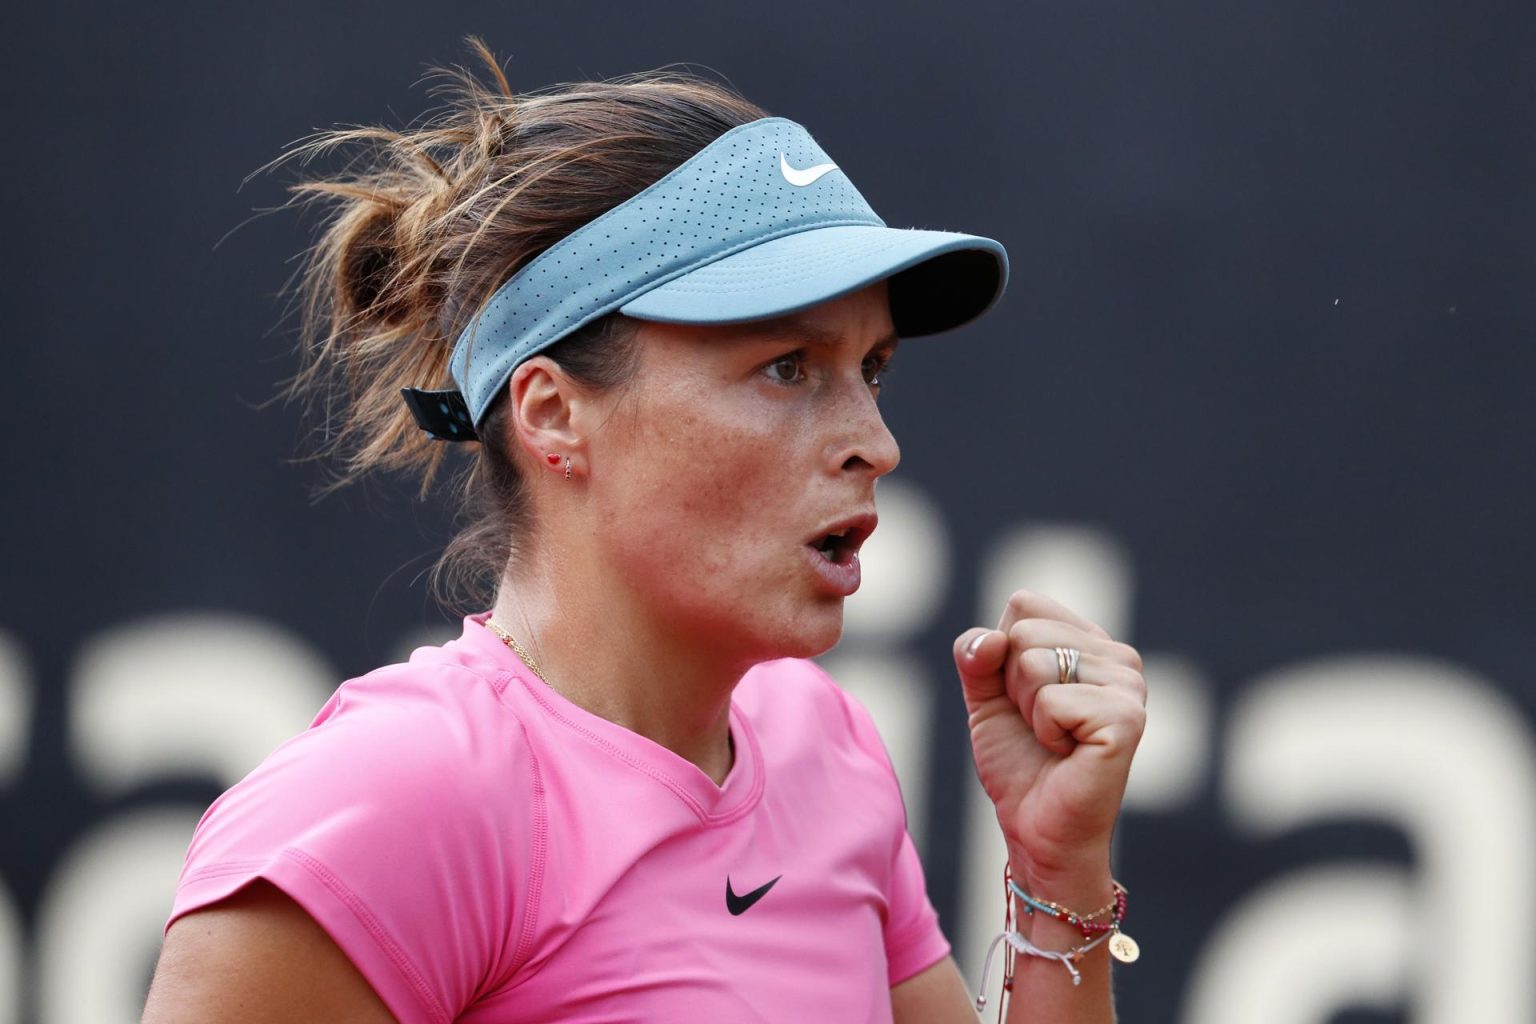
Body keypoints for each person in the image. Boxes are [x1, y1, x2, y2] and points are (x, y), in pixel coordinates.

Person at [142, 41, 1147, 1024]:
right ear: (551, 414)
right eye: (788, 366)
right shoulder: (392, 802)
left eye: (871, 369)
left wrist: (1055, 869)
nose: (874, 443)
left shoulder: (824, 742)